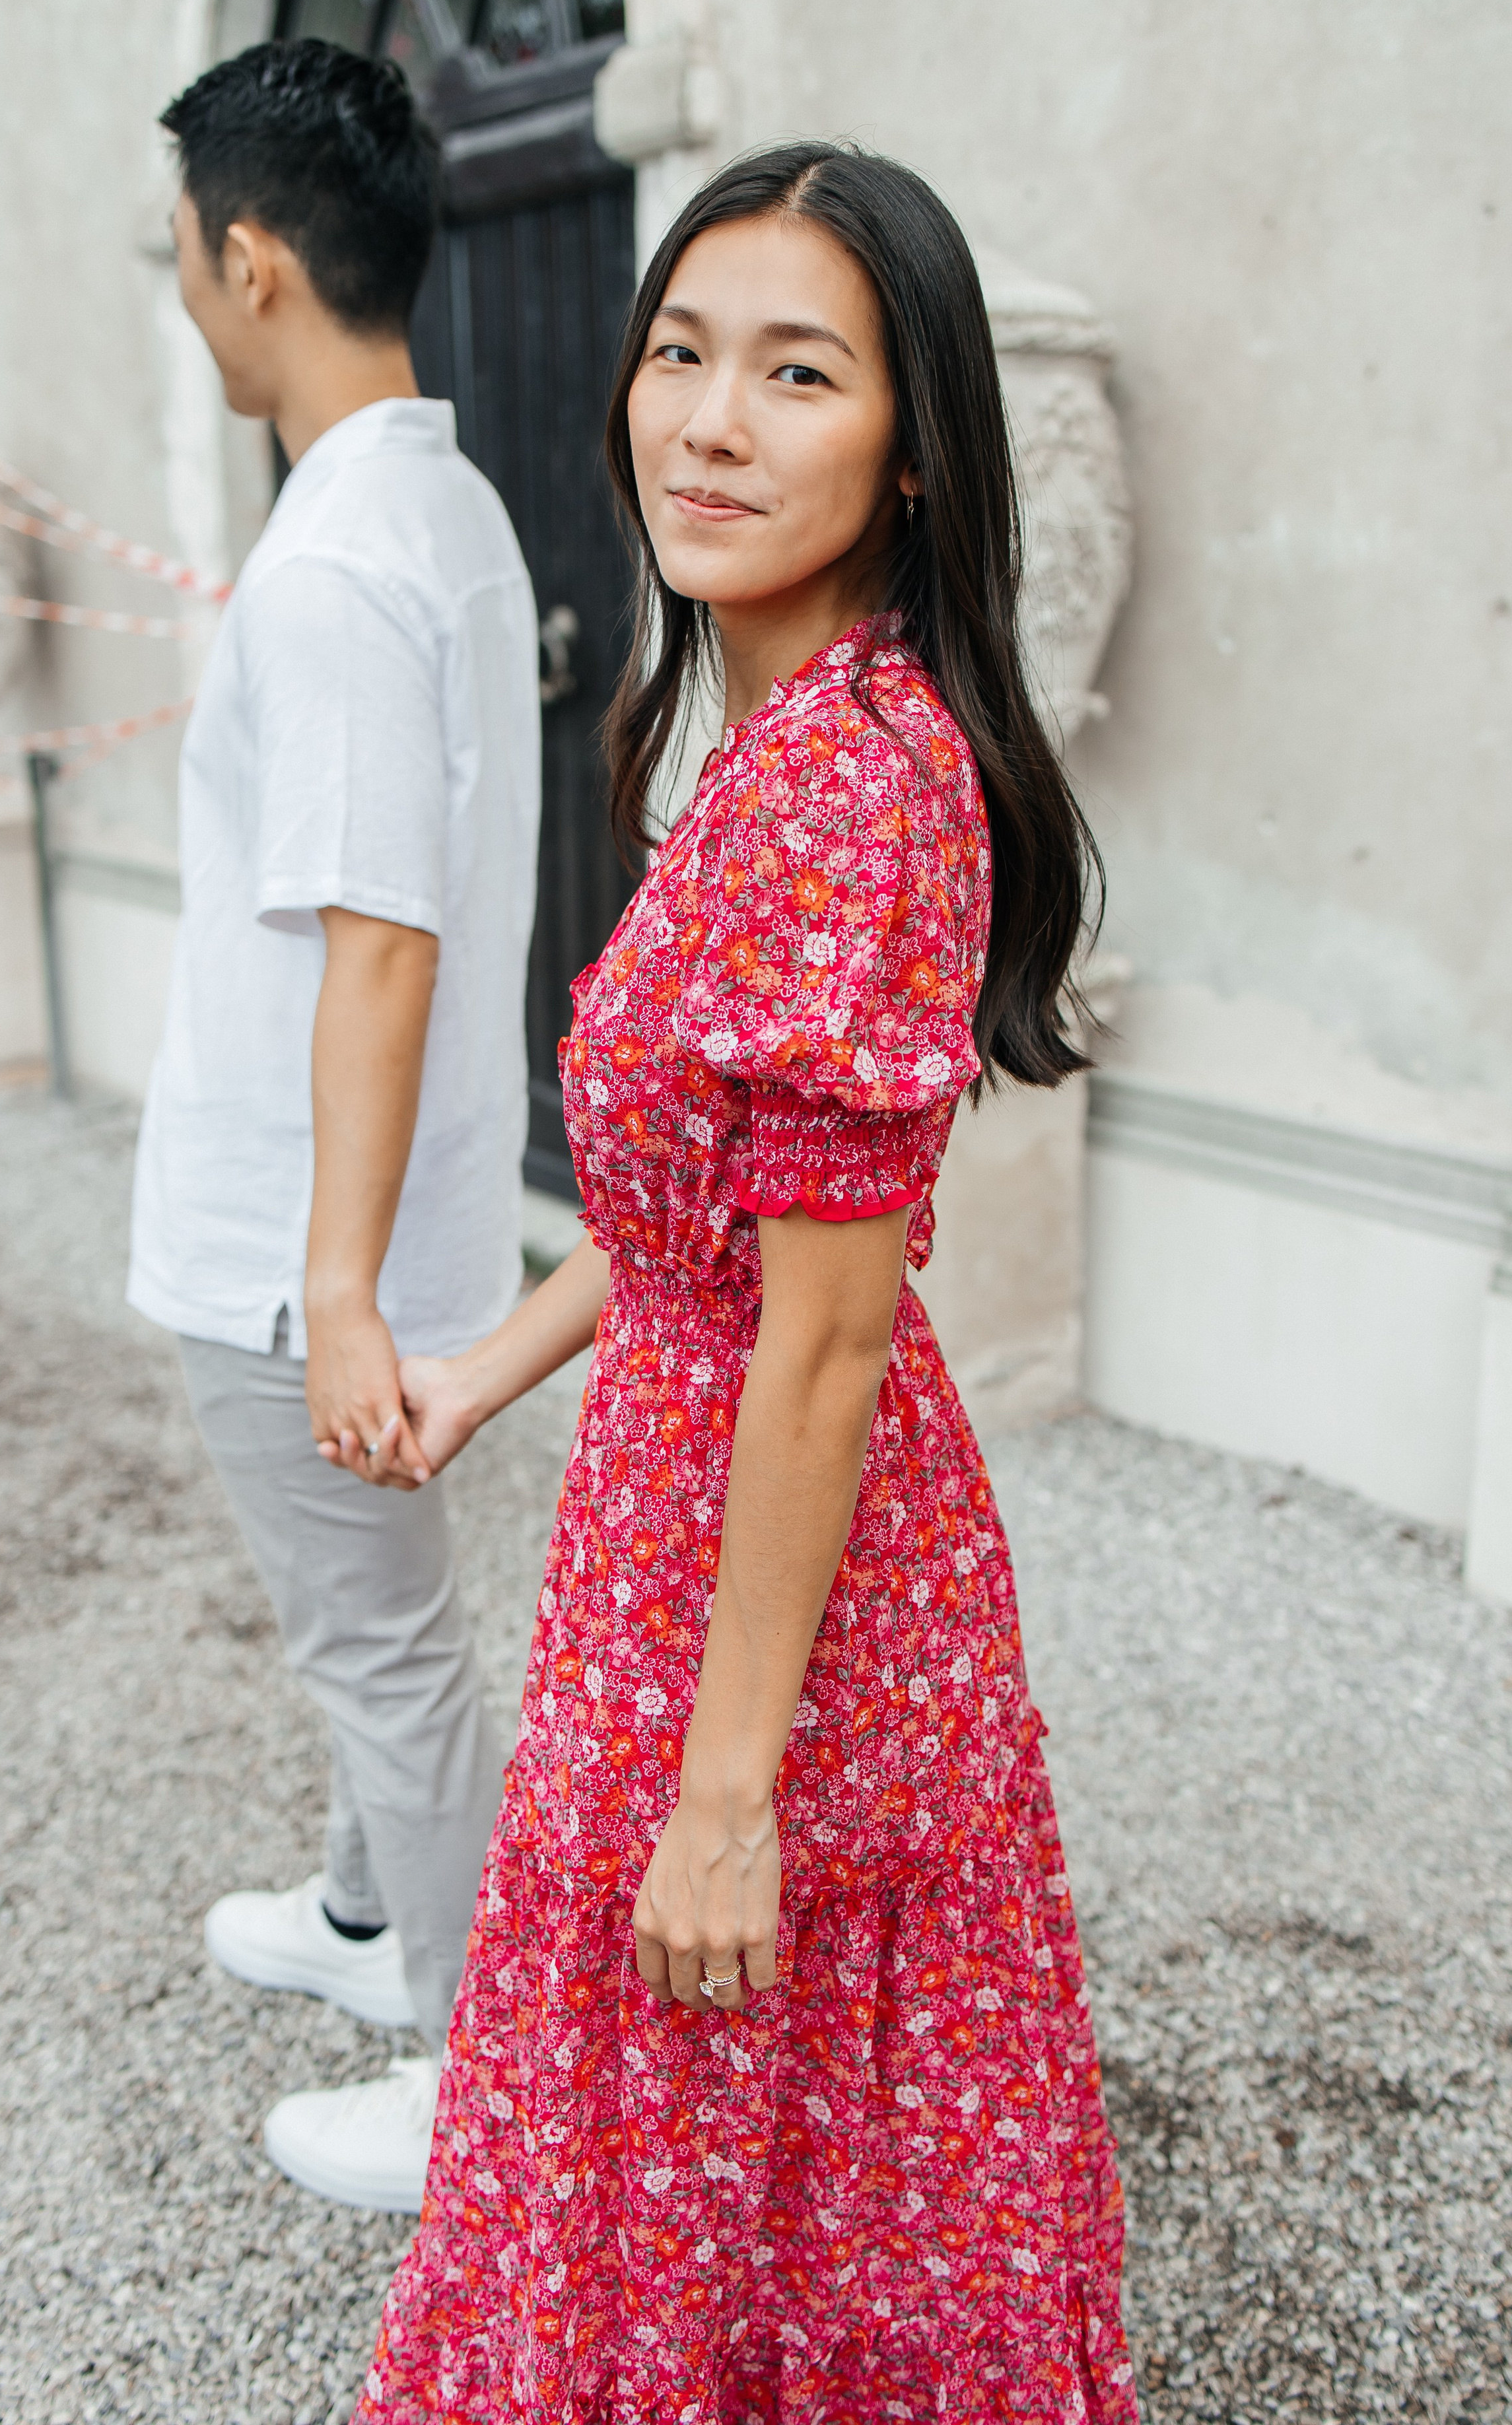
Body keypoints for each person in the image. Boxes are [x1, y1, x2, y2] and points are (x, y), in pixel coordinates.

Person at [340, 138, 1140, 2422]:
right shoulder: (797, 744)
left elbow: (830, 1328)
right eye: (682, 353)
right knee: (770, 2139)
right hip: (702, 1518)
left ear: (910, 455)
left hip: (765, 1557)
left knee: (720, 2101)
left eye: (798, 374)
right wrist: (490, 1368)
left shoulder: (845, 788)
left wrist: (724, 1790)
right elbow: (708, 1230)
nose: (708, 421)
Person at [127, 40, 540, 2209]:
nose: (184, 299)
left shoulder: (334, 563)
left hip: (305, 1239)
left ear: (257, 257)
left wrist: (335, 1288)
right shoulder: (438, 505)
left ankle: (481, 2087)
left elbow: (379, 943)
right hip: (376, 1217)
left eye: (186, 260)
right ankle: (374, 1918)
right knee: (364, 1612)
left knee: (385, 1641)